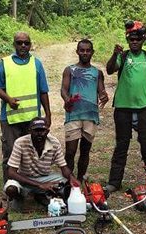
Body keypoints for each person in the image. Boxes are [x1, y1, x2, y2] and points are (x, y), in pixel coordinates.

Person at [105, 20, 146, 192]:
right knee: (121, 145)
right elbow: (109, 70)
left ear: (143, 39)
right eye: (131, 39)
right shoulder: (123, 56)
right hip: (123, 108)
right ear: (128, 40)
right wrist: (115, 54)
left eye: (137, 39)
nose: (134, 42)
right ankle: (114, 182)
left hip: (145, 108)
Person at [0, 31, 51, 184]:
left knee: (31, 154)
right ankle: (11, 189)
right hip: (10, 119)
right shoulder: (4, 63)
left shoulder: (36, 64)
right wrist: (8, 100)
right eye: (19, 42)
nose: (23, 45)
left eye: (26, 42)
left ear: (30, 44)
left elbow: (43, 91)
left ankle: (30, 187)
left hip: (32, 120)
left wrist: (48, 115)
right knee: (10, 154)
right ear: (14, 44)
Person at [4, 117, 81, 210]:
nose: (39, 134)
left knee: (66, 180)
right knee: (11, 189)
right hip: (23, 178)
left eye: (42, 130)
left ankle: (40, 195)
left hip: (44, 178)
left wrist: (71, 178)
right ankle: (21, 198)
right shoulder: (20, 142)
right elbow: (11, 172)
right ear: (30, 131)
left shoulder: (54, 143)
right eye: (36, 131)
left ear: (47, 131)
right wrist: (38, 184)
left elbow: (63, 167)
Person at [61, 39, 109, 182]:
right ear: (77, 52)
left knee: (85, 151)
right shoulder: (69, 70)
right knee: (70, 152)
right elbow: (63, 89)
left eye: (88, 50)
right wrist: (67, 99)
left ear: (92, 52)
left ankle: (80, 179)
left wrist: (104, 96)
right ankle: (69, 180)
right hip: (73, 115)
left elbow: (101, 90)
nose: (85, 53)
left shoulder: (97, 72)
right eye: (82, 50)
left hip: (90, 116)